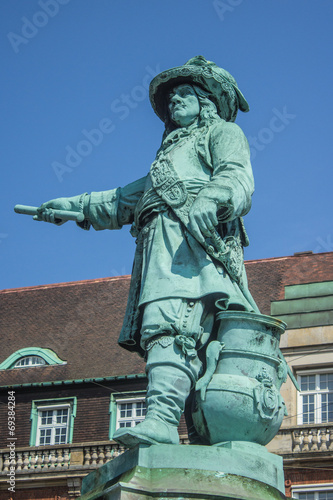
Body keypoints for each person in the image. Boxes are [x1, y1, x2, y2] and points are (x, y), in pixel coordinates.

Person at [37, 56, 259, 448]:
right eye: (170, 96)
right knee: (175, 331)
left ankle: (160, 420)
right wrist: (70, 206)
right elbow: (122, 199)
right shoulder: (165, 161)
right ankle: (190, 432)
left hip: (194, 244)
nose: (174, 100)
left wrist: (214, 194)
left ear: (206, 100)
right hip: (160, 243)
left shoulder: (221, 132)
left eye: (184, 93)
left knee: (172, 325)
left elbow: (237, 175)